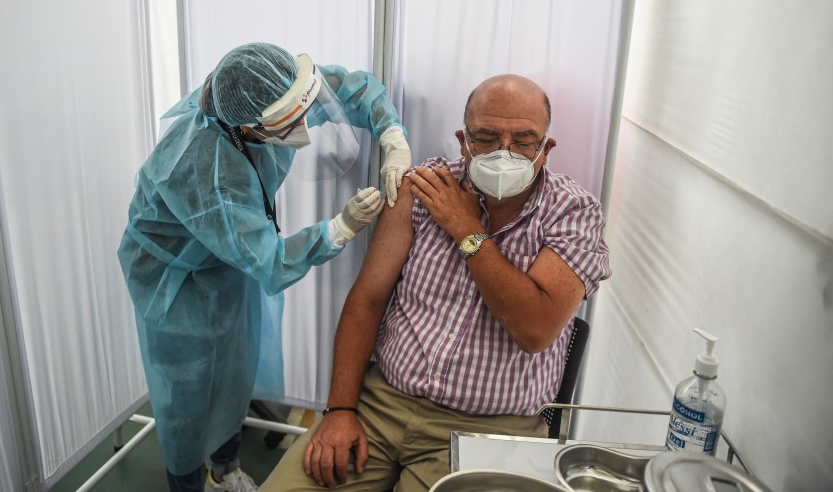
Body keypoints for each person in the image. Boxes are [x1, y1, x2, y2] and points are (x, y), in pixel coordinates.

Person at [260, 73, 611, 491]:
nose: (504, 153)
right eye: (486, 137)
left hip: (491, 429)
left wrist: (465, 228)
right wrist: (339, 410)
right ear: (463, 141)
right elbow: (368, 300)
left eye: (523, 140)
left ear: (546, 149)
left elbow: (534, 329)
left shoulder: (573, 213)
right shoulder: (423, 188)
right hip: (382, 403)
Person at [117, 42, 412, 492]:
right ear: (249, 128)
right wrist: (338, 228)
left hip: (226, 257)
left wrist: (392, 134)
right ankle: (187, 482)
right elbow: (269, 261)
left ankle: (225, 466)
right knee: (188, 393)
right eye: (288, 123)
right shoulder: (207, 168)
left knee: (235, 369)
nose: (303, 125)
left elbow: (349, 89)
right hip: (175, 280)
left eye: (303, 110)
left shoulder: (272, 93)